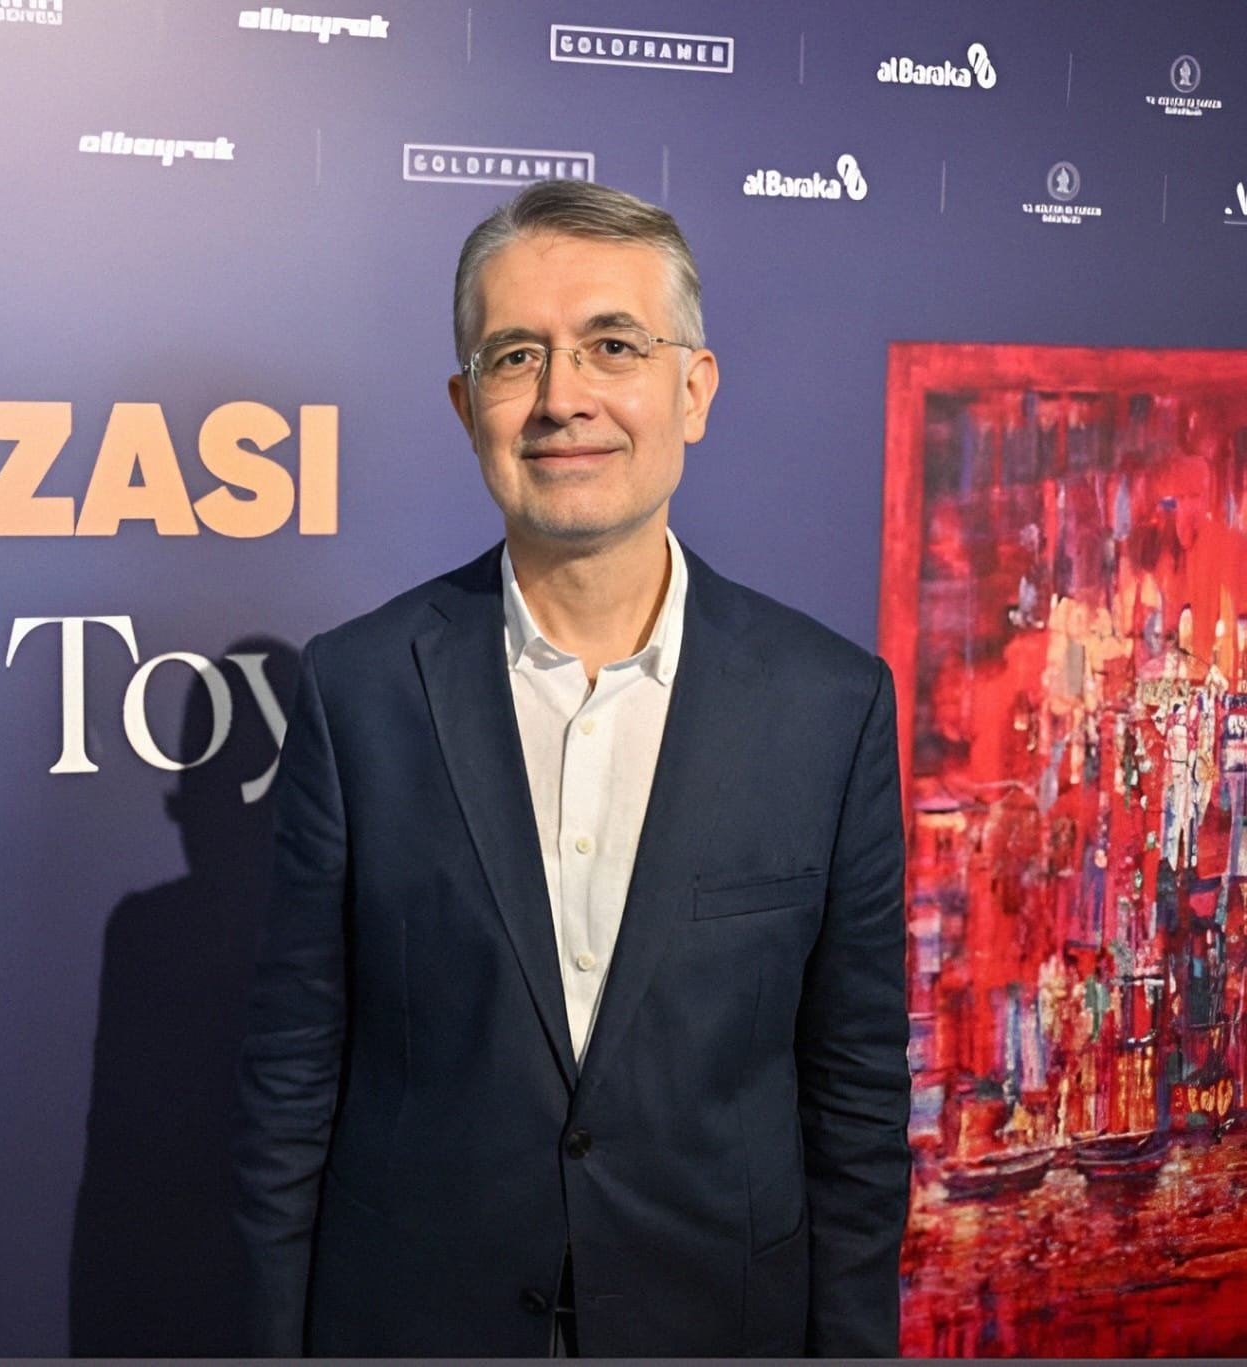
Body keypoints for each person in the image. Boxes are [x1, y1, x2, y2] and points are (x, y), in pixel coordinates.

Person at [234, 179, 909, 1357]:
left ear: (692, 389)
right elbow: (291, 1078)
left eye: (612, 345)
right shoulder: (358, 689)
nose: (561, 398)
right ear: (466, 408)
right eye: (514, 357)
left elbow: (852, 1094)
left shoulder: (829, 703)